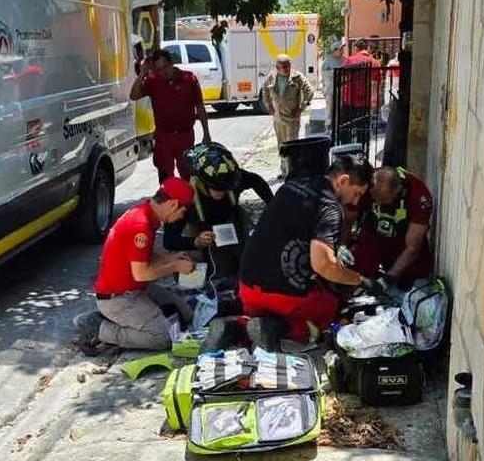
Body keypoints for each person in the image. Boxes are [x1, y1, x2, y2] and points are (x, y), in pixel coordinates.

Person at [237, 154, 378, 350]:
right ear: (343, 181)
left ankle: (240, 327)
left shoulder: (292, 185)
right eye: (357, 193)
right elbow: (323, 265)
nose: (355, 201)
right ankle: (281, 328)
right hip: (282, 298)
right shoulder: (330, 207)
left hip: (246, 286)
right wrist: (359, 279)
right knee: (331, 308)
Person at [74, 177, 198, 355]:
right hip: (119, 298)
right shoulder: (141, 224)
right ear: (172, 204)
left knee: (185, 314)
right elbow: (142, 273)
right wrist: (175, 266)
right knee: (162, 336)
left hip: (134, 289)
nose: (181, 216)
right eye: (182, 210)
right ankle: (98, 328)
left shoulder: (146, 212)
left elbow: (141, 255)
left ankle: (116, 320)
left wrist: (170, 258)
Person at [163, 142, 274, 279]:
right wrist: (195, 241)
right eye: (217, 188)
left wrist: (272, 206)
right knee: (194, 267)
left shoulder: (231, 178)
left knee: (232, 265)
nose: (222, 192)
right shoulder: (186, 197)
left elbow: (258, 182)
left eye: (226, 189)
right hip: (196, 227)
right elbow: (168, 240)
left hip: (228, 221)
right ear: (202, 182)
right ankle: (196, 283)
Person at [130, 49, 212, 182]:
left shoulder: (189, 79)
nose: (164, 72)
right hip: (163, 137)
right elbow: (133, 96)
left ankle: (189, 202)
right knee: (165, 178)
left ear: (172, 63)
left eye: (165, 67)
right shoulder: (153, 80)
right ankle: (169, 202)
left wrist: (206, 133)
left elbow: (200, 107)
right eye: (159, 69)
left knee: (188, 176)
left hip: (184, 135)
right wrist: (142, 74)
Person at [347, 166, 434, 289]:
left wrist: (388, 279)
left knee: (416, 272)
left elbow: (412, 248)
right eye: (375, 197)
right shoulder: (365, 184)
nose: (377, 202)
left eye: (382, 200)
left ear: (398, 190)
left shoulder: (418, 196)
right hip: (374, 232)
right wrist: (342, 250)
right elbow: (348, 220)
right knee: (358, 265)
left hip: (402, 236)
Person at [262, 54, 315, 177]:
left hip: (291, 117)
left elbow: (310, 91)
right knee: (281, 145)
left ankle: (293, 171)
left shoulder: (297, 77)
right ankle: (284, 170)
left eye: (288, 65)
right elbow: (265, 90)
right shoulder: (271, 77)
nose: (286, 69)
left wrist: (301, 107)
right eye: (283, 66)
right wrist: (268, 104)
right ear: (277, 67)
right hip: (278, 118)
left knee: (292, 145)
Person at [340, 39, 381, 144]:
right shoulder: (375, 62)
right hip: (365, 102)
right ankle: (362, 153)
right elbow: (375, 84)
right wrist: (374, 103)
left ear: (356, 48)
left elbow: (343, 78)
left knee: (346, 130)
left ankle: (346, 153)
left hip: (349, 100)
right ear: (366, 48)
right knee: (363, 132)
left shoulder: (350, 60)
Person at [321, 40, 346, 130]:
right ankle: (329, 125)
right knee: (330, 107)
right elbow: (324, 74)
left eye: (342, 49)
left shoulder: (344, 60)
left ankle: (339, 124)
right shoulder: (327, 60)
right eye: (341, 49)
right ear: (335, 50)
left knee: (340, 106)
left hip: (342, 86)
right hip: (330, 87)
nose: (342, 51)